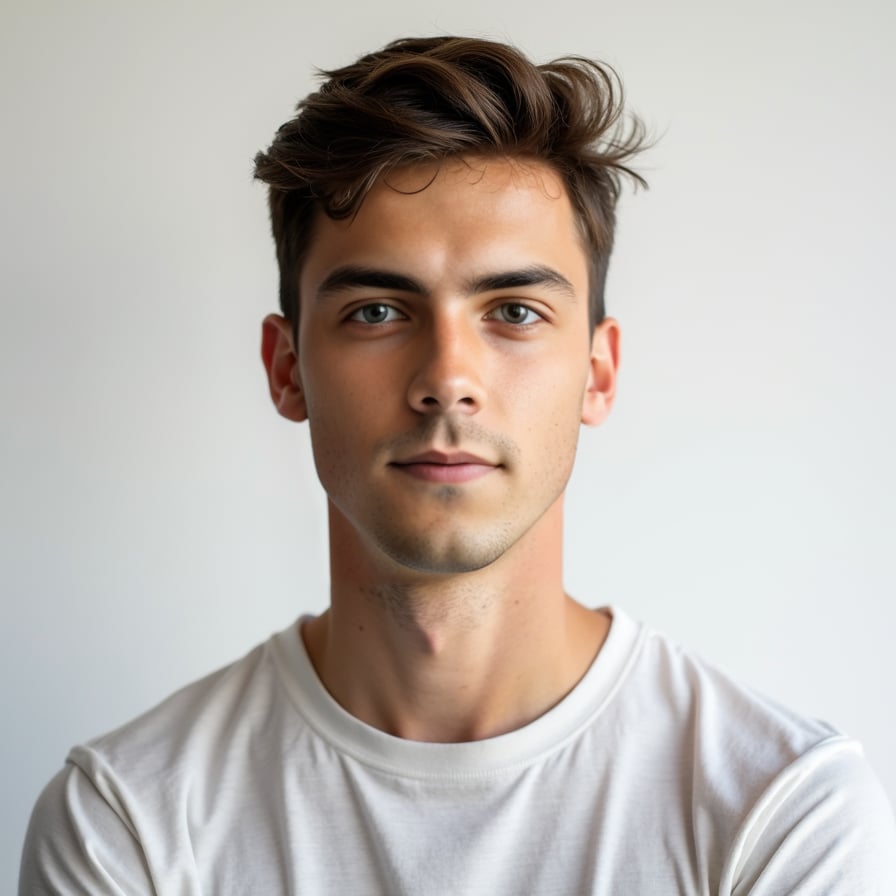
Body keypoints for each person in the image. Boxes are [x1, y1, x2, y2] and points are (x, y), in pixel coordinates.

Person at [19, 35, 896, 894]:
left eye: (514, 311)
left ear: (598, 373)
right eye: (376, 312)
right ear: (287, 370)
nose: (447, 379)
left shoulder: (780, 814)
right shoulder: (129, 823)